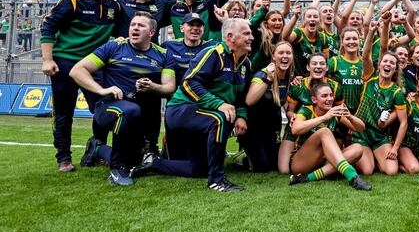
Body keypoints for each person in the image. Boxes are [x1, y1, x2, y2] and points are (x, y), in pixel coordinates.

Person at [132, 18, 253, 192]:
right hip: (180, 109)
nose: (252, 37)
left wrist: (241, 115)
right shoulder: (213, 54)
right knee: (221, 118)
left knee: (201, 168)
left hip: (203, 114)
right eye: (246, 33)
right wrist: (219, 104)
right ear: (230, 36)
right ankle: (217, 181)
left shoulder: (246, 63)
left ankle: (154, 163)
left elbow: (241, 96)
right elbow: (189, 83)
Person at [70, 12, 175, 185]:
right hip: (109, 107)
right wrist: (102, 90)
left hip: (141, 115)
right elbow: (77, 70)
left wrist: (153, 87)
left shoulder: (164, 55)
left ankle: (97, 149)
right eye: (133, 24)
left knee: (137, 160)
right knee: (129, 110)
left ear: (152, 32)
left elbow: (169, 88)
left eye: (141, 26)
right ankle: (118, 169)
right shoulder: (113, 47)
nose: (135, 28)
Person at [40, 0, 122, 172]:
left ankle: (97, 148)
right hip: (65, 63)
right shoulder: (72, 1)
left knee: (104, 109)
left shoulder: (115, 5)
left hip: (94, 65)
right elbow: (48, 28)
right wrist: (48, 60)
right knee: (64, 113)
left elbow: (120, 36)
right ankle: (64, 158)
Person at [287, 83, 372, 190]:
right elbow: (295, 129)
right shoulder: (306, 110)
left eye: (331, 95)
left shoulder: (335, 111)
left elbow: (360, 128)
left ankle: (308, 178)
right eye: (324, 96)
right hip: (301, 163)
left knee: (358, 149)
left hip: (323, 161)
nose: (330, 99)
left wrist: (350, 116)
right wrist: (324, 118)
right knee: (324, 132)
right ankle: (352, 176)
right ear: (314, 100)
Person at [352, 21, 408, 176]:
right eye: (385, 61)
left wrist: (395, 148)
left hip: (379, 136)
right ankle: (368, 157)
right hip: (361, 133)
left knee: (391, 171)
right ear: (379, 65)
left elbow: (403, 122)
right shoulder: (370, 77)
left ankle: (378, 158)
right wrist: (370, 32)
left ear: (395, 69)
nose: (388, 64)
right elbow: (365, 56)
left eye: (392, 63)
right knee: (367, 171)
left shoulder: (396, 92)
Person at [243, 41, 294, 173]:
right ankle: (242, 157)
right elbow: (249, 100)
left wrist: (292, 115)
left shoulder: (289, 77)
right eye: (281, 53)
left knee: (274, 165)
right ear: (273, 57)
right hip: (254, 126)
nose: (285, 56)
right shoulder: (263, 74)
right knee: (262, 167)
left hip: (272, 125)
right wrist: (268, 80)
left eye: (288, 53)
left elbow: (286, 104)